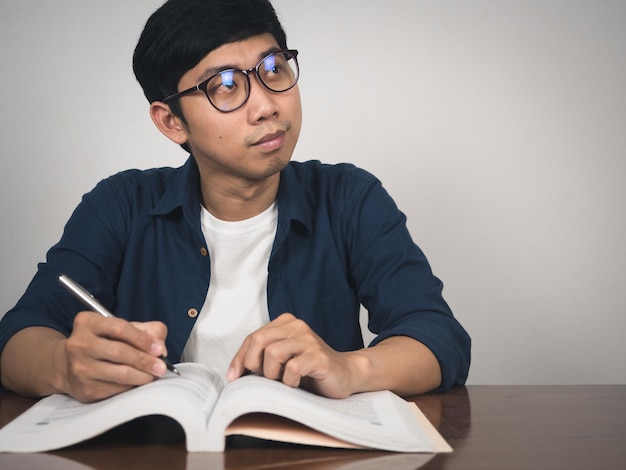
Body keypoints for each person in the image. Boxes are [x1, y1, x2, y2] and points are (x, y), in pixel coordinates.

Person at [0, 0, 470, 404]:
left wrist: (349, 368)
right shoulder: (121, 205)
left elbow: (438, 336)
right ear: (171, 122)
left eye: (274, 69)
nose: (266, 105)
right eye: (226, 85)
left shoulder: (348, 198)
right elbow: (18, 336)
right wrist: (65, 365)